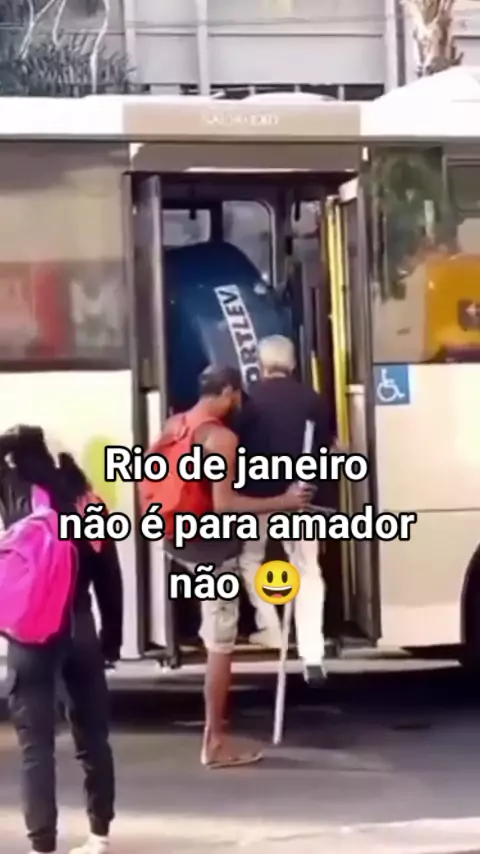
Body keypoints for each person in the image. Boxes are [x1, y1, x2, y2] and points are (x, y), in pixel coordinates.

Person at [156, 365, 315, 769]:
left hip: (177, 541)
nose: (238, 403)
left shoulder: (175, 424)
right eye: (237, 395)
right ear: (227, 391)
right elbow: (225, 505)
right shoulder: (221, 438)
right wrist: (284, 501)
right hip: (211, 549)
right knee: (220, 645)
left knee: (214, 630)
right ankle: (214, 743)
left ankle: (215, 735)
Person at [0, 425, 123, 854]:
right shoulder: (87, 502)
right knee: (94, 739)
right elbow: (109, 577)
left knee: (36, 748)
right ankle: (99, 835)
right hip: (80, 626)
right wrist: (112, 640)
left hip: (31, 634)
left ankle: (42, 845)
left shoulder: (16, 497)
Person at [235, 335, 335, 686]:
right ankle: (313, 653)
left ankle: (271, 628)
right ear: (292, 365)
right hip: (303, 498)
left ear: (261, 365)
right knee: (307, 570)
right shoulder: (314, 400)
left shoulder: (247, 401)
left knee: (250, 560)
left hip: (259, 498)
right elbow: (328, 447)